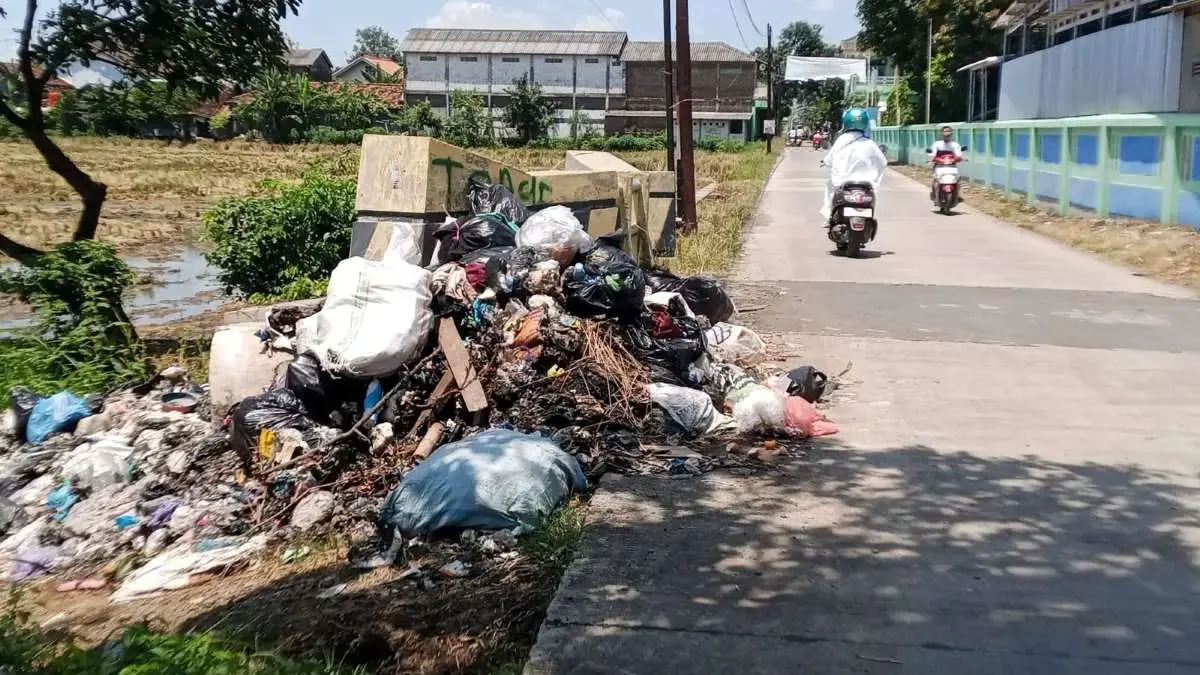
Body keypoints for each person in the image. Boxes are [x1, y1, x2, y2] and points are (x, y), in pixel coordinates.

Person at [819, 108, 888, 221]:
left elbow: (830, 158)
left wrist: (825, 162)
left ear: (846, 122)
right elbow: (882, 162)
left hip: (843, 182)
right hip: (866, 184)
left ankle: (830, 216)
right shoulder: (869, 143)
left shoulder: (842, 140)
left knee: (829, 188)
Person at [928, 125, 965, 198]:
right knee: (935, 179)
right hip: (939, 165)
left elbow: (958, 154)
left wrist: (960, 158)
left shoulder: (955, 144)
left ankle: (959, 195)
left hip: (951, 165)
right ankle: (934, 192)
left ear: (951, 133)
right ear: (941, 134)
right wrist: (932, 158)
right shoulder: (937, 144)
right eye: (945, 131)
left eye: (948, 131)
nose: (947, 133)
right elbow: (933, 154)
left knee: (957, 179)